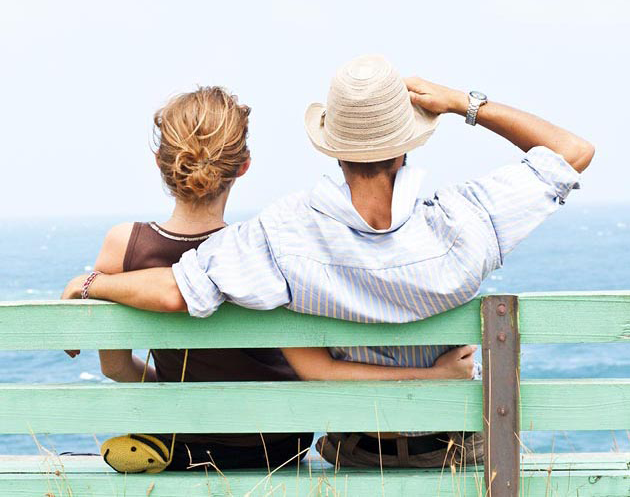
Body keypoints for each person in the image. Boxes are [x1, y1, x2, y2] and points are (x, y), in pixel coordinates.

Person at [62, 55, 594, 468]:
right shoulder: (466, 220)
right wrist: (462, 103)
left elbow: (177, 290)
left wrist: (94, 284)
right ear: (406, 145)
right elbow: (573, 150)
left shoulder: (287, 234)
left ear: (334, 149)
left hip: (358, 453)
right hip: (463, 449)